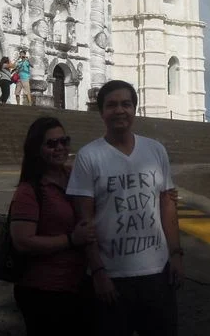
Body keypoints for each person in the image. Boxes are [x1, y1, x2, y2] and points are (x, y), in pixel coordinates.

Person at [67, 80, 182, 336]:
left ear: (135, 109)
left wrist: (176, 254)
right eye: (112, 105)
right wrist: (97, 272)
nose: (120, 111)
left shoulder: (155, 150)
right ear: (101, 112)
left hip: (157, 272)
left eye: (126, 104)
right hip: (112, 275)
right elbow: (84, 221)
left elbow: (167, 205)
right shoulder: (89, 156)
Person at [10, 117, 96, 336]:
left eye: (64, 141)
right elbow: (22, 241)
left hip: (78, 284)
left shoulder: (73, 175)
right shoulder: (29, 190)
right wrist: (71, 240)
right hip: (44, 290)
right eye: (51, 144)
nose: (60, 148)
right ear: (37, 149)